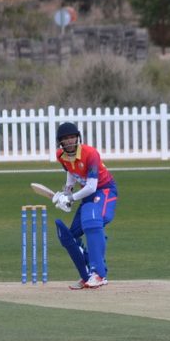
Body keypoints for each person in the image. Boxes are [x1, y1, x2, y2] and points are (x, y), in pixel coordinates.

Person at [50, 122, 118, 289]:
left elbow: (92, 186)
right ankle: (87, 274)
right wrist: (66, 191)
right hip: (87, 195)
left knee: (92, 221)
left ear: (78, 137)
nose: (70, 141)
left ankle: (99, 274)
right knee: (72, 235)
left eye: (72, 137)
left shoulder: (90, 154)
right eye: (66, 139)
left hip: (104, 190)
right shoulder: (60, 156)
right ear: (61, 142)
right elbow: (71, 171)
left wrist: (71, 198)